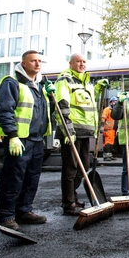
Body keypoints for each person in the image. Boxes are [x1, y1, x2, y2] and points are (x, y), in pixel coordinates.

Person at [0, 50, 52, 230]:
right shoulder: (12, 83)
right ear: (24, 63)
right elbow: (5, 111)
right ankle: (6, 215)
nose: (37, 64)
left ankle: (24, 210)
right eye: (33, 61)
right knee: (13, 177)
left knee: (31, 178)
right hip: (19, 140)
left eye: (40, 61)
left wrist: (51, 95)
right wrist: (12, 136)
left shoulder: (40, 85)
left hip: (36, 139)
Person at [54, 53, 108, 215]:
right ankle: (68, 202)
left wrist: (98, 89)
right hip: (71, 132)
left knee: (84, 166)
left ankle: (73, 196)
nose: (82, 64)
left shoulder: (86, 82)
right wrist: (68, 130)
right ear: (70, 63)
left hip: (84, 133)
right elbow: (61, 105)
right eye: (78, 61)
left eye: (84, 61)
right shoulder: (64, 80)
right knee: (71, 167)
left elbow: (89, 105)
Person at [100, 97, 118, 162]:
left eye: (116, 101)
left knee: (111, 143)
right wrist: (101, 127)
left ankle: (109, 155)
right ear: (110, 102)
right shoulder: (107, 109)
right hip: (107, 129)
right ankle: (106, 156)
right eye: (114, 101)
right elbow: (103, 118)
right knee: (107, 143)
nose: (115, 103)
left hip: (112, 130)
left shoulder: (115, 110)